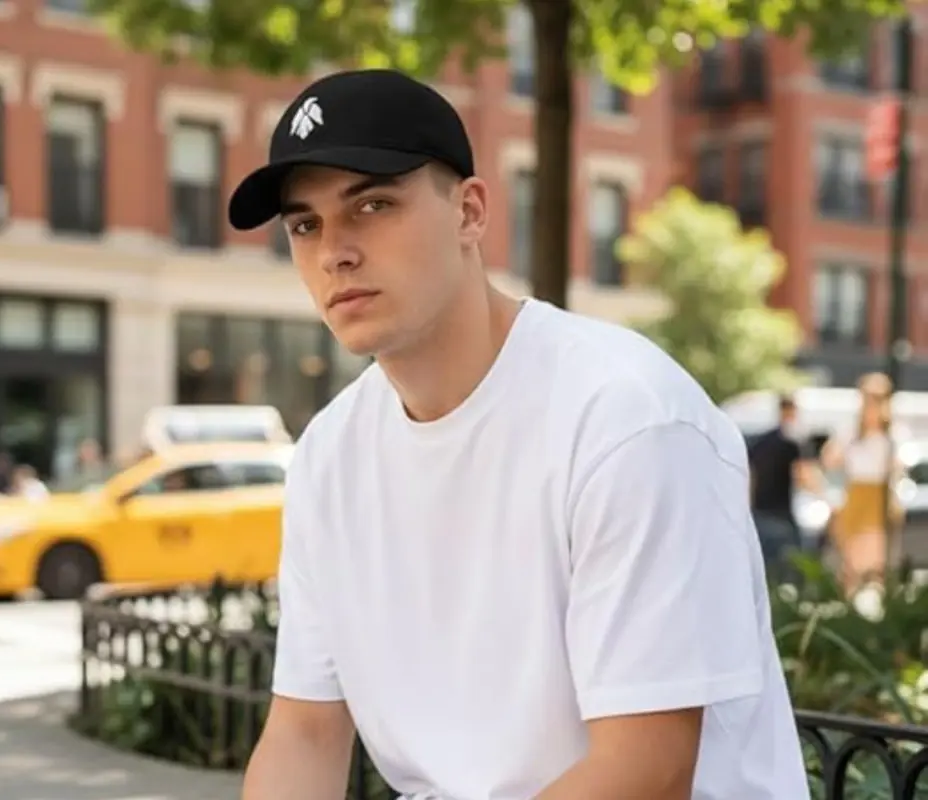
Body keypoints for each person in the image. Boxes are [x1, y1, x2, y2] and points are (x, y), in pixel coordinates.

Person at [229, 69, 807, 799]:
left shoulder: (624, 418)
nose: (333, 251)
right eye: (304, 224)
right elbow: (304, 734)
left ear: (470, 211)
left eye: (373, 204)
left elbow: (645, 770)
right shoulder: (328, 456)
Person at [821, 372, 904, 596]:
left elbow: (898, 470)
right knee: (851, 565)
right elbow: (829, 460)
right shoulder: (851, 434)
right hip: (856, 497)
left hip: (879, 500)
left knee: (876, 564)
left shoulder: (891, 435)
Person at [747, 394, 822, 582]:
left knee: (765, 572)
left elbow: (751, 477)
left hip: (759, 513)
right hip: (782, 515)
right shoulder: (791, 442)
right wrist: (823, 494)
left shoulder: (761, 441)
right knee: (794, 568)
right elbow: (803, 475)